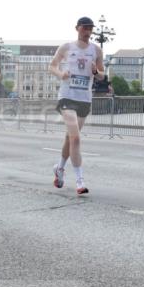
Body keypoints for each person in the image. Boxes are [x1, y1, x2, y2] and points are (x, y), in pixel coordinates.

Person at [49, 17, 105, 195]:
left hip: (84, 98)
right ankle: (80, 181)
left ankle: (59, 168)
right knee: (76, 138)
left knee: (70, 138)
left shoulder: (96, 50)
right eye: (84, 28)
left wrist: (96, 72)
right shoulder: (67, 47)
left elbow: (102, 75)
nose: (87, 31)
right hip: (67, 96)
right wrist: (61, 73)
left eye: (90, 28)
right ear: (77, 28)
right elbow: (52, 66)